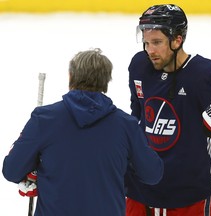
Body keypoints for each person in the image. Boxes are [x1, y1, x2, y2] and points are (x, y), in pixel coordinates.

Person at [125, 4, 211, 216]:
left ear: (177, 40)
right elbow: (137, 115)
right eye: (145, 42)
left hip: (189, 196)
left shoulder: (203, 75)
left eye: (157, 42)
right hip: (139, 191)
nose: (149, 50)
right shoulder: (139, 66)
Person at [2, 48, 164, 216]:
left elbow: (12, 170)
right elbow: (152, 174)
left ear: (70, 76)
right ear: (106, 81)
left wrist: (33, 169)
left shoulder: (44, 119)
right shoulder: (126, 125)